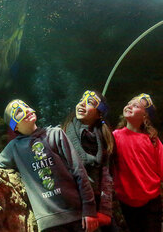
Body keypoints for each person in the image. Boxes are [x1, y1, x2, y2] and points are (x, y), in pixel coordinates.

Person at [0, 99, 99, 232]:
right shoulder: (13, 148)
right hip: (49, 224)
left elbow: (79, 171)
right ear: (14, 126)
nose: (26, 110)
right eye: (18, 111)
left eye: (26, 106)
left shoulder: (56, 133)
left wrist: (89, 208)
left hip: (77, 215)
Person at [112, 93, 163, 232]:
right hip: (127, 204)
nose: (129, 106)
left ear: (145, 116)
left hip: (151, 203)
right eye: (129, 103)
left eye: (135, 106)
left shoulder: (153, 140)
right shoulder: (114, 137)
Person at [62, 90, 115, 231]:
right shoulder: (60, 134)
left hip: (96, 201)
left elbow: (107, 175)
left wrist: (105, 211)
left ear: (100, 113)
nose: (82, 104)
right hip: (72, 202)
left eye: (90, 102)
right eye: (81, 100)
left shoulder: (105, 138)